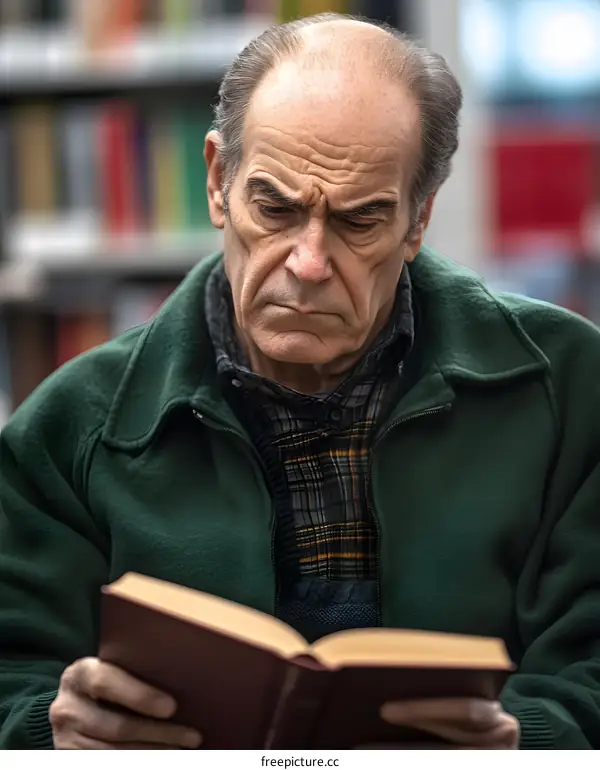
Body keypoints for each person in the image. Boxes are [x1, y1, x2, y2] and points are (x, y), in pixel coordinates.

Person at [0, 13, 599, 751]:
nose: (308, 263)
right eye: (274, 208)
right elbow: (13, 678)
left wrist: (526, 745)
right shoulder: (69, 429)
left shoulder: (571, 389)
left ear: (419, 220)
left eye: (360, 221)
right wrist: (46, 734)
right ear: (218, 182)